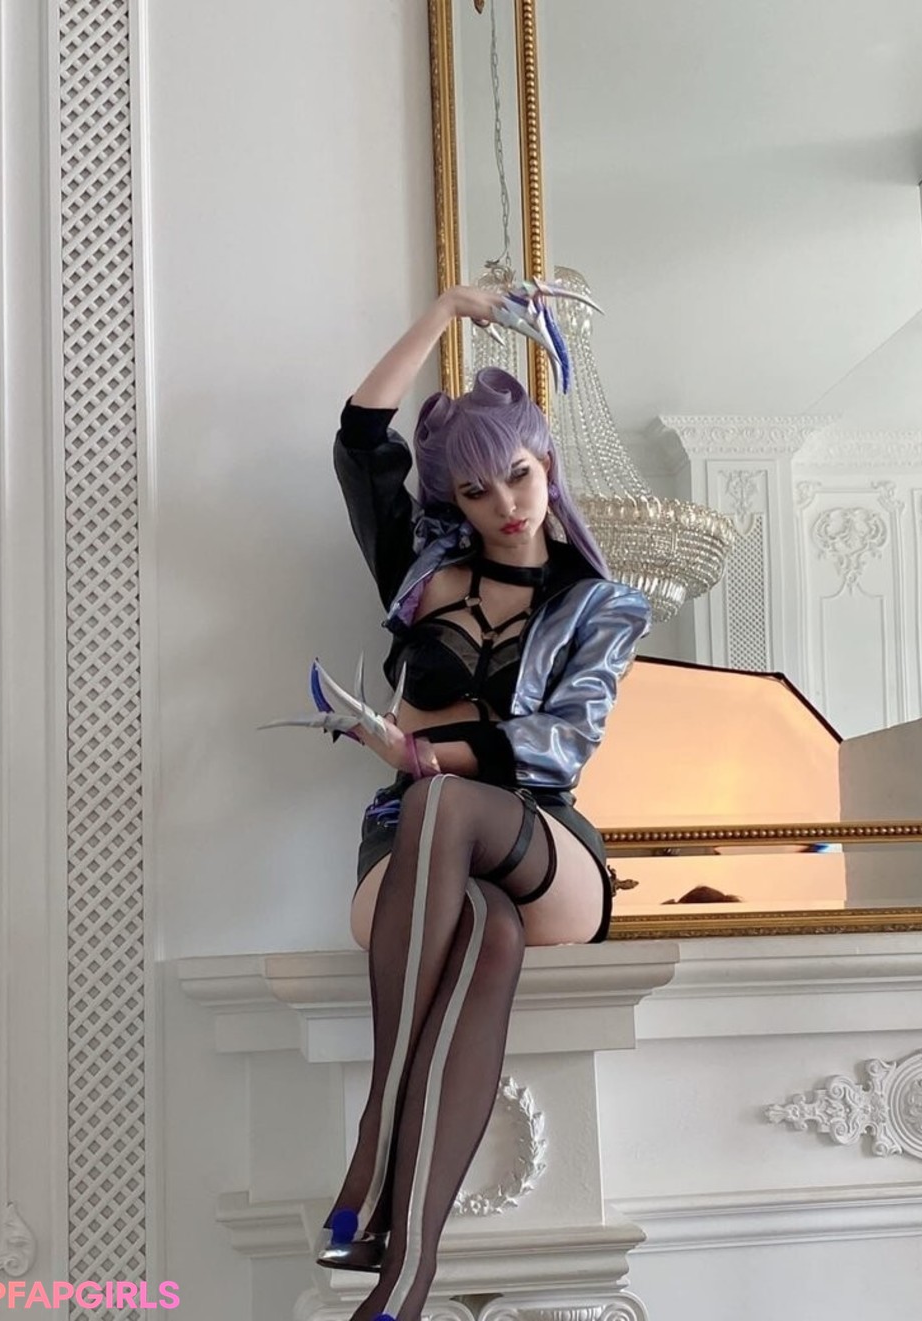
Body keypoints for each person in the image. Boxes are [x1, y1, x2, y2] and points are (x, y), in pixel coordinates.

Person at [312, 286, 651, 1321]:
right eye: (476, 488)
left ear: (547, 463)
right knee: (480, 927)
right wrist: (446, 310)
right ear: (452, 500)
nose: (506, 501)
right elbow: (360, 437)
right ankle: (403, 1282)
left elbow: (565, 738)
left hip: (543, 843)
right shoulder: (418, 568)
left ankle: (375, 1132)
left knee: (449, 801)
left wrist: (424, 752)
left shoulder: (599, 603)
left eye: (519, 473)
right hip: (416, 849)